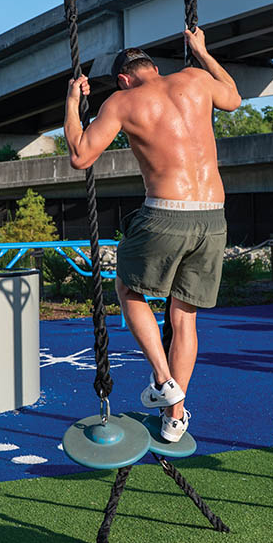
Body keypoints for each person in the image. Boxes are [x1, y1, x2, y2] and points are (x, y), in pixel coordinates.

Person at [63, 32, 240, 442]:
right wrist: (203, 52)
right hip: (213, 215)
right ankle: (176, 417)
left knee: (128, 289)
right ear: (154, 69)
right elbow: (232, 97)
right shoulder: (196, 79)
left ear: (124, 79)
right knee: (185, 316)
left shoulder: (122, 102)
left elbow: (80, 155)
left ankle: (163, 380)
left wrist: (73, 103)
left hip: (166, 212)